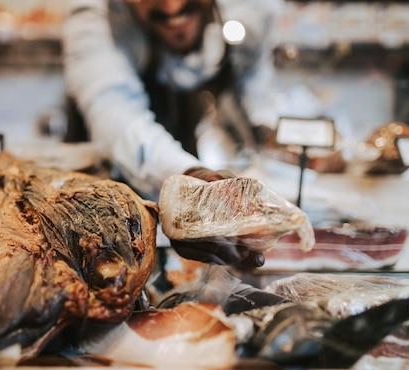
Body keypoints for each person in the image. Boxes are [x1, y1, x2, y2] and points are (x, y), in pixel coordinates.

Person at [62, 0, 283, 268]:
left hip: (181, 145)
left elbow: (252, 73)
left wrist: (267, 128)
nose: (171, 7)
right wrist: (191, 179)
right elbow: (116, 117)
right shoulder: (95, 16)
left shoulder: (253, 8)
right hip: (107, 182)